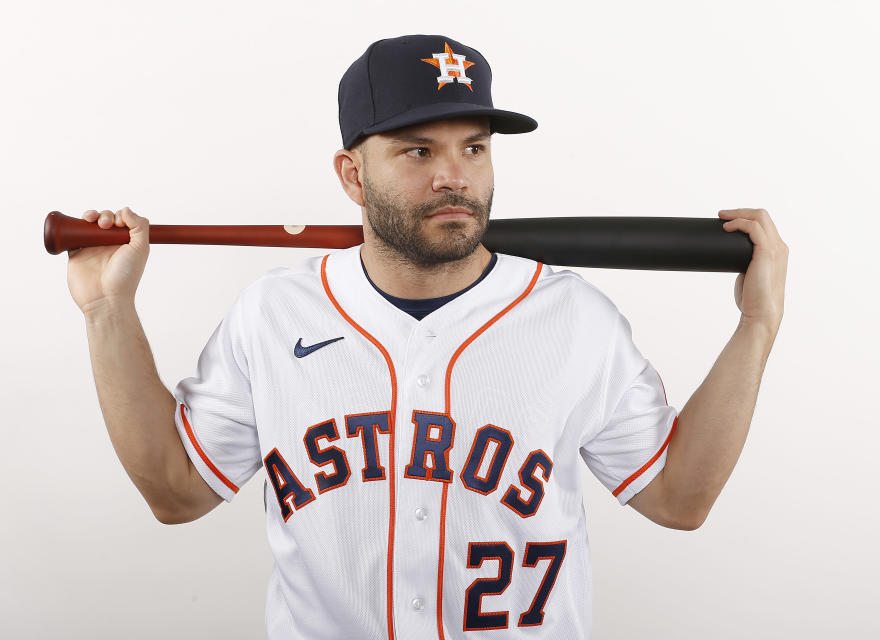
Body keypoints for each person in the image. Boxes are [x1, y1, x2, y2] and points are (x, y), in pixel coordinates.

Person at [67, 34, 788, 639]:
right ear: (352, 175)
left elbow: (679, 499)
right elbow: (176, 491)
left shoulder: (576, 320)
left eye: (474, 149)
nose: (454, 177)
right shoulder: (272, 315)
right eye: (417, 151)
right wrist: (107, 311)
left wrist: (756, 327)